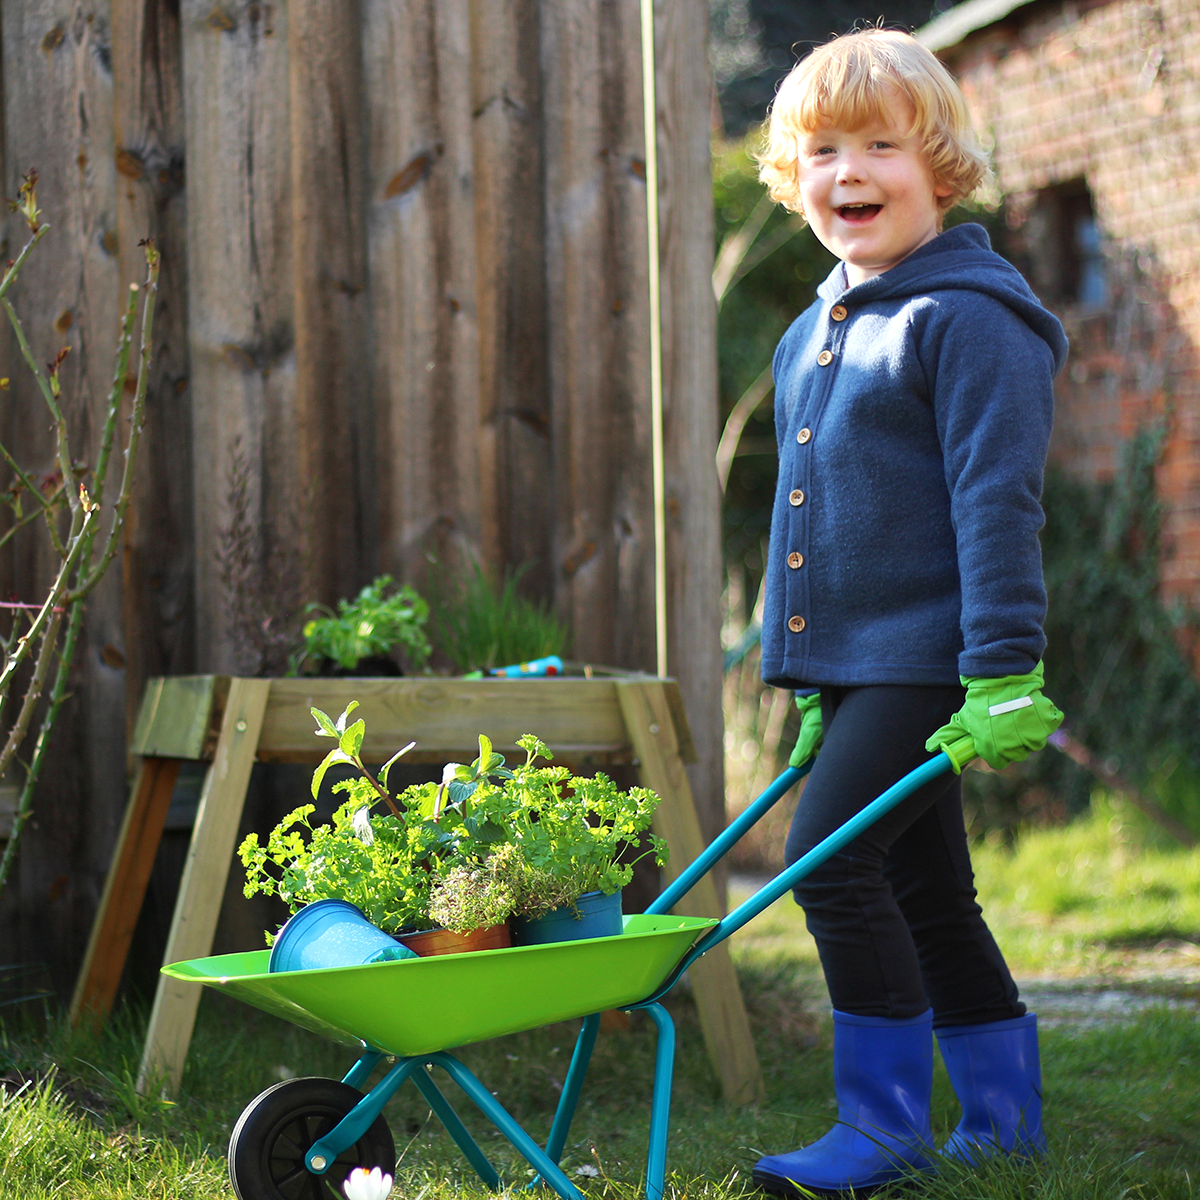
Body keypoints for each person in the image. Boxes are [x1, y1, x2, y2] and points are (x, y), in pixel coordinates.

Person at [750, 28, 1067, 1197]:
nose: (850, 173)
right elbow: (807, 522)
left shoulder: (970, 319)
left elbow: (996, 503)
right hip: (861, 667)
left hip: (937, 659)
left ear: (939, 165)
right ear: (795, 177)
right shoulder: (813, 329)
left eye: (881, 144)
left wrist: (1004, 669)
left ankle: (881, 1130)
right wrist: (811, 681)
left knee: (827, 868)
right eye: (822, 149)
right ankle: (1003, 1122)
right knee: (929, 886)